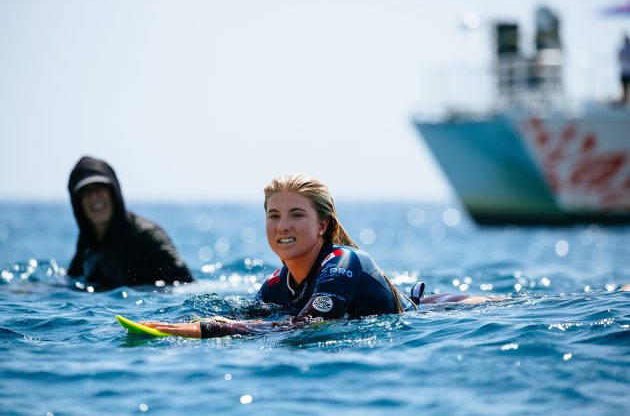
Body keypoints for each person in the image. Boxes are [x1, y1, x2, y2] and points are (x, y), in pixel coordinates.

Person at [142, 173, 489, 338]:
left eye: (296, 214)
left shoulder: (343, 264)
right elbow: (259, 318)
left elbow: (306, 326)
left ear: (322, 225)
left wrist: (208, 330)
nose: (282, 226)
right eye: (273, 215)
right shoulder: (275, 286)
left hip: (442, 313)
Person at [67, 156, 193, 289]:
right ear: (77, 203)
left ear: (113, 192)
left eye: (99, 188)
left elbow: (187, 286)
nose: (94, 197)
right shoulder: (88, 242)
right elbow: (72, 281)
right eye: (86, 192)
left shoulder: (148, 236)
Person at [619, 34, 630, 104]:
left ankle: (626, 101)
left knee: (626, 88)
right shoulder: (622, 49)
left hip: (627, 72)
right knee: (624, 88)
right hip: (624, 72)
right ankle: (625, 101)